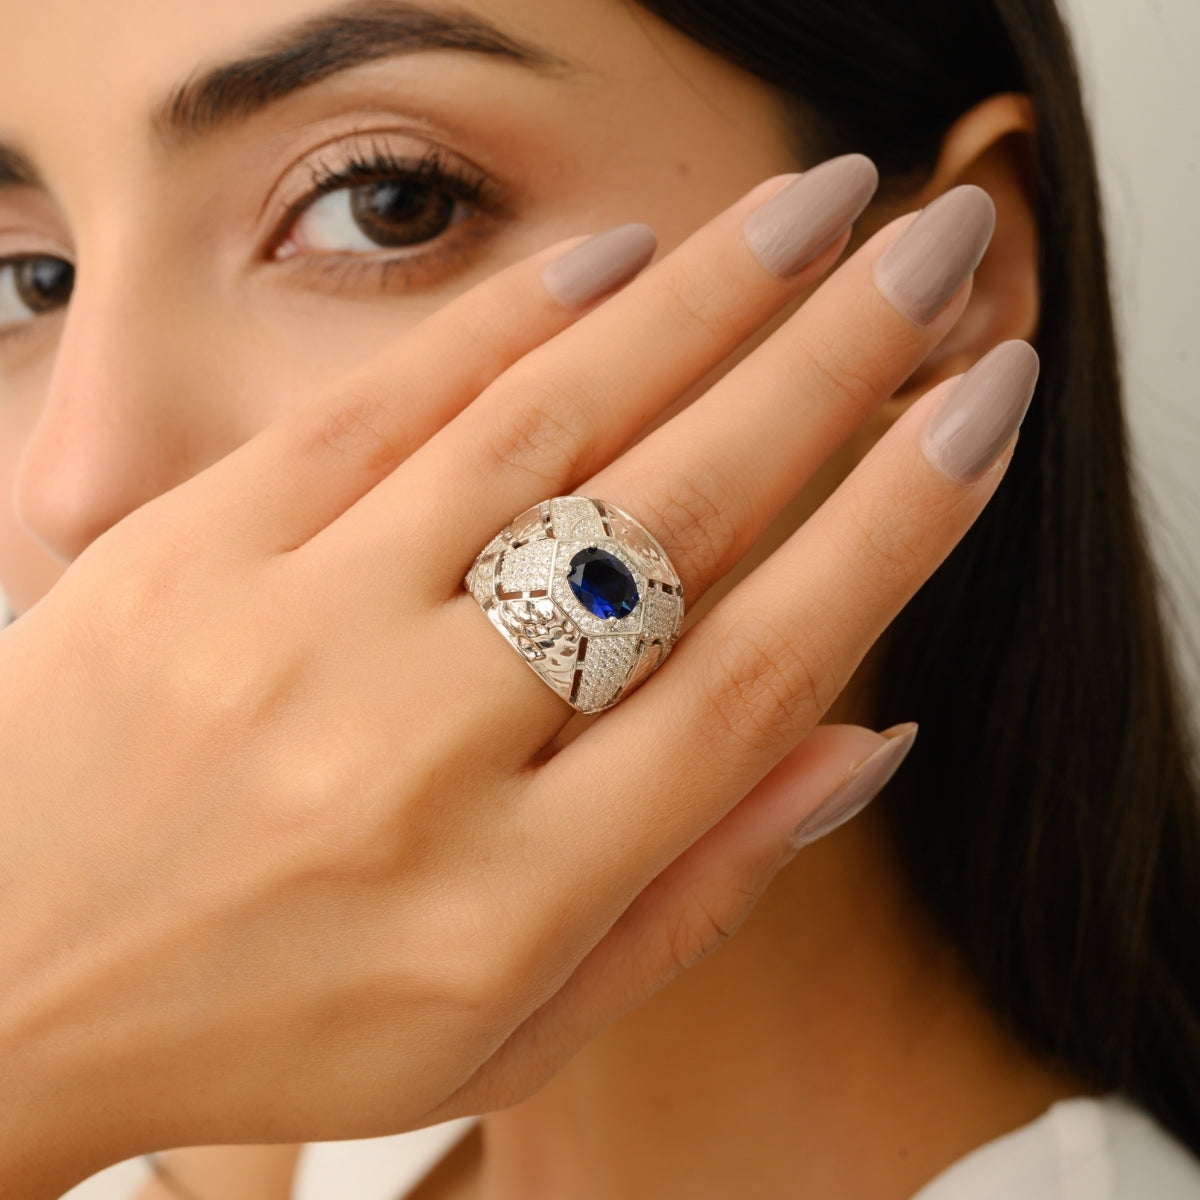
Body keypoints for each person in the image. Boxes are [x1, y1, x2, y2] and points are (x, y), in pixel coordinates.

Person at [0, 1, 1197, 1198]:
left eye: (385, 200)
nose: (71, 481)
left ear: (947, 291)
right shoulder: (178, 1137)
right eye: (28, 279)